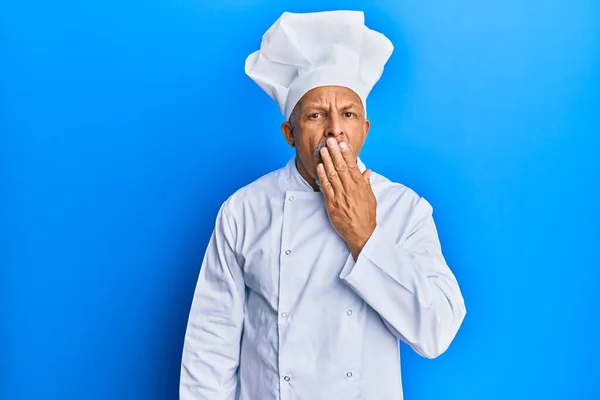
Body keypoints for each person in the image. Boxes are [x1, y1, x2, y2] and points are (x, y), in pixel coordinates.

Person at [180, 10, 466, 400]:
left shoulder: (405, 209)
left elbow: (438, 331)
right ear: (290, 134)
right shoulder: (244, 211)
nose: (334, 128)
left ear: (364, 129)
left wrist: (364, 236)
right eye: (316, 115)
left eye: (348, 114)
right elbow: (209, 349)